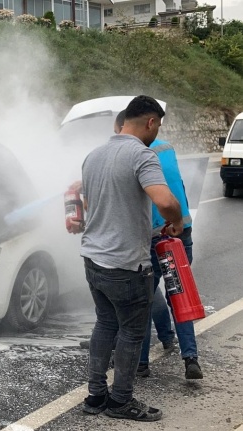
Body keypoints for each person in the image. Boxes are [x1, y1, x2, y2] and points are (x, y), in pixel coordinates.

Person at [71, 96, 184, 422]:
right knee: (132, 333)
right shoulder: (142, 155)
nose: (157, 131)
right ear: (150, 122)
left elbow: (94, 207)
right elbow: (163, 201)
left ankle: (95, 396)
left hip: (93, 259)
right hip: (126, 265)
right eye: (158, 125)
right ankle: (120, 401)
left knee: (105, 324)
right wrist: (174, 219)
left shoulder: (93, 156)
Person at [111, 111, 203, 380]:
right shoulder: (167, 147)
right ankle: (190, 358)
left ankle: (140, 363)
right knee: (179, 296)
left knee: (143, 301)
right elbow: (180, 187)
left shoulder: (134, 155)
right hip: (182, 233)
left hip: (155, 236)